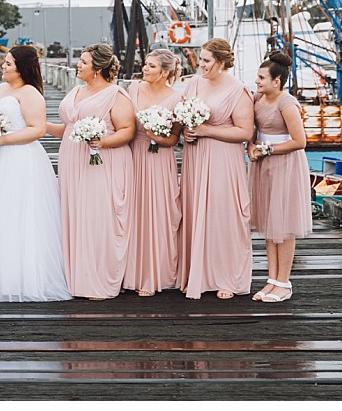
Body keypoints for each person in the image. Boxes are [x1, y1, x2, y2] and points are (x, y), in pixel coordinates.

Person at [0, 45, 71, 302]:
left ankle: (20, 277)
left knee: (17, 214)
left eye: (9, 63)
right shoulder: (0, 88)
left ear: (21, 68)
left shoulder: (30, 93)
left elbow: (37, 129)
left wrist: (2, 140)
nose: (3, 66)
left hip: (19, 159)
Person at [47, 43, 135, 300]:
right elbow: (68, 128)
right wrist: (40, 125)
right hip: (72, 162)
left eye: (83, 62)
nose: (78, 64)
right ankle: (77, 277)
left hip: (102, 163)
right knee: (75, 216)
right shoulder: (76, 90)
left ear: (98, 68)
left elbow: (127, 131)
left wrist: (102, 142)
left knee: (98, 219)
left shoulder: (116, 95)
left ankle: (99, 280)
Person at [178, 38, 254, 300]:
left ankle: (227, 277)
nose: (201, 65)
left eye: (206, 61)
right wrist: (188, 132)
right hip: (195, 156)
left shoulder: (238, 91)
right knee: (195, 212)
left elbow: (245, 132)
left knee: (222, 214)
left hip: (223, 159)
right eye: (200, 60)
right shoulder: (194, 84)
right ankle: (198, 274)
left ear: (221, 63)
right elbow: (185, 119)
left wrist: (206, 130)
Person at [248, 50, 312, 303]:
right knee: (269, 223)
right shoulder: (257, 98)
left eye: (261, 78)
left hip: (285, 164)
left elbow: (300, 141)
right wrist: (251, 146)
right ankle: (272, 279)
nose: (257, 81)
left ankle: (284, 282)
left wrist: (268, 150)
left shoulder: (287, 104)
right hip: (263, 164)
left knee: (283, 225)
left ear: (277, 81)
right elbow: (252, 131)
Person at [124, 49, 183, 297]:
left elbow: (174, 139)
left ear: (165, 72)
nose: (144, 69)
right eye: (145, 64)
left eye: (151, 66)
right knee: (132, 213)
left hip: (159, 160)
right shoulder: (133, 89)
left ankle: (153, 275)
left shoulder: (177, 98)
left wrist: (157, 136)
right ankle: (130, 274)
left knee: (158, 213)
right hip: (133, 155)